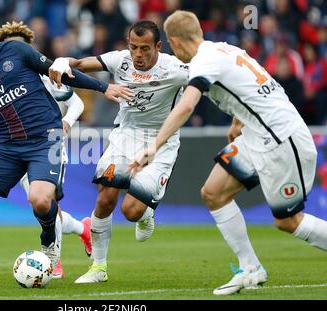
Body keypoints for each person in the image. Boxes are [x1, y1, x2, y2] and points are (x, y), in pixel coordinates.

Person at [129, 10, 327, 295]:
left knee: (288, 221)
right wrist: (237, 121)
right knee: (213, 193)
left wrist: (153, 146)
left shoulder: (204, 61)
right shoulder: (225, 49)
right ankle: (250, 268)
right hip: (258, 135)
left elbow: (186, 106)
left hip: (282, 139)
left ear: (174, 41)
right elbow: (251, 88)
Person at [0, 10, 133, 287]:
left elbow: (60, 73)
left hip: (45, 139)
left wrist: (103, 88)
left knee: (41, 200)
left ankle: (48, 240)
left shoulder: (17, 51)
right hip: (6, 146)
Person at [49, 20, 189, 283]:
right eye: (133, 47)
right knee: (105, 197)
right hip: (125, 135)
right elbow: (78, 64)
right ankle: (98, 268)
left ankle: (146, 213)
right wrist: (63, 60)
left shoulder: (176, 70)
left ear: (158, 46)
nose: (138, 54)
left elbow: (211, 82)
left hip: (161, 140)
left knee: (131, 211)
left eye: (145, 48)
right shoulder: (120, 60)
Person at [0, 21, 93, 279]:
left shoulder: (45, 74)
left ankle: (53, 261)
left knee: (45, 202)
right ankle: (83, 228)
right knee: (44, 206)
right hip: (13, 149)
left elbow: (77, 103)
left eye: (23, 46)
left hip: (48, 146)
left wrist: (66, 123)